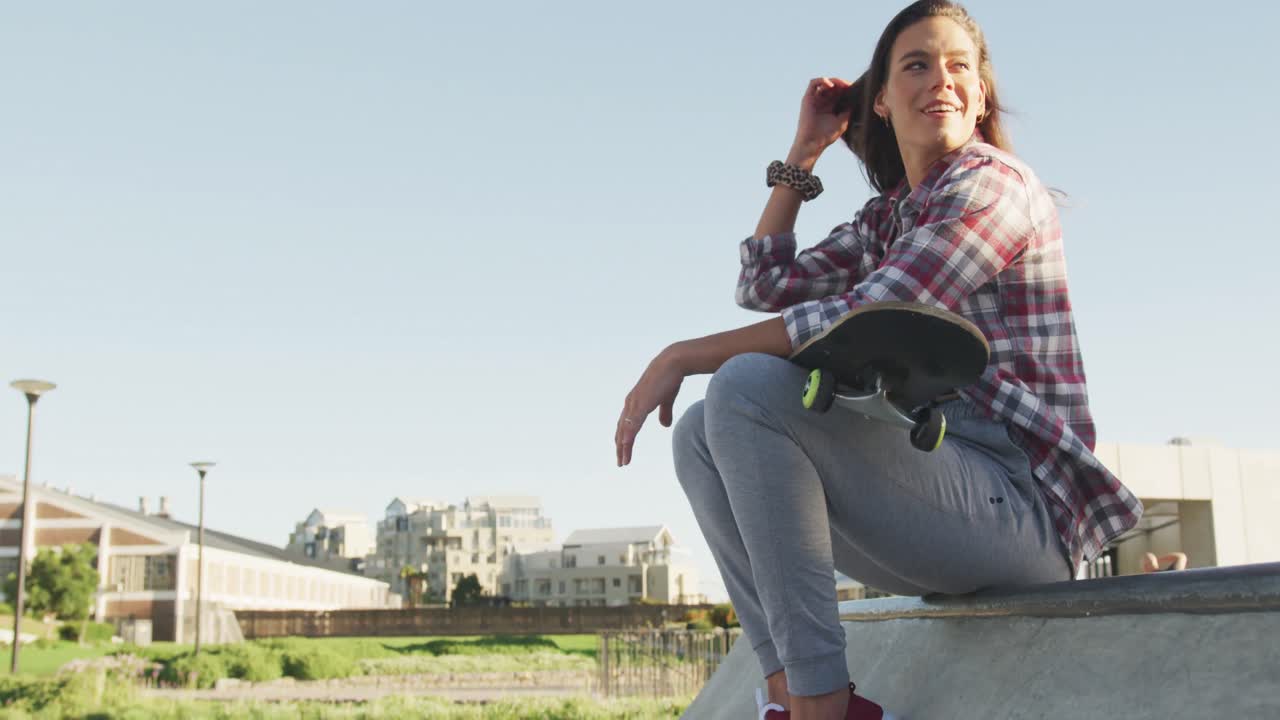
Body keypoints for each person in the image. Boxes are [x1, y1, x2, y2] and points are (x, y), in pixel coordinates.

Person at [613, 2, 1143, 718]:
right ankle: (786, 697)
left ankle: (824, 707)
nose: (942, 80)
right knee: (700, 433)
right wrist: (804, 152)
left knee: (745, 385)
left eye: (959, 66)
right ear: (884, 102)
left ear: (980, 94)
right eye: (917, 65)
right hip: (933, 489)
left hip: (1020, 507)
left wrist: (684, 354)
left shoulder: (995, 185)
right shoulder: (888, 216)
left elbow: (875, 311)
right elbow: (763, 283)